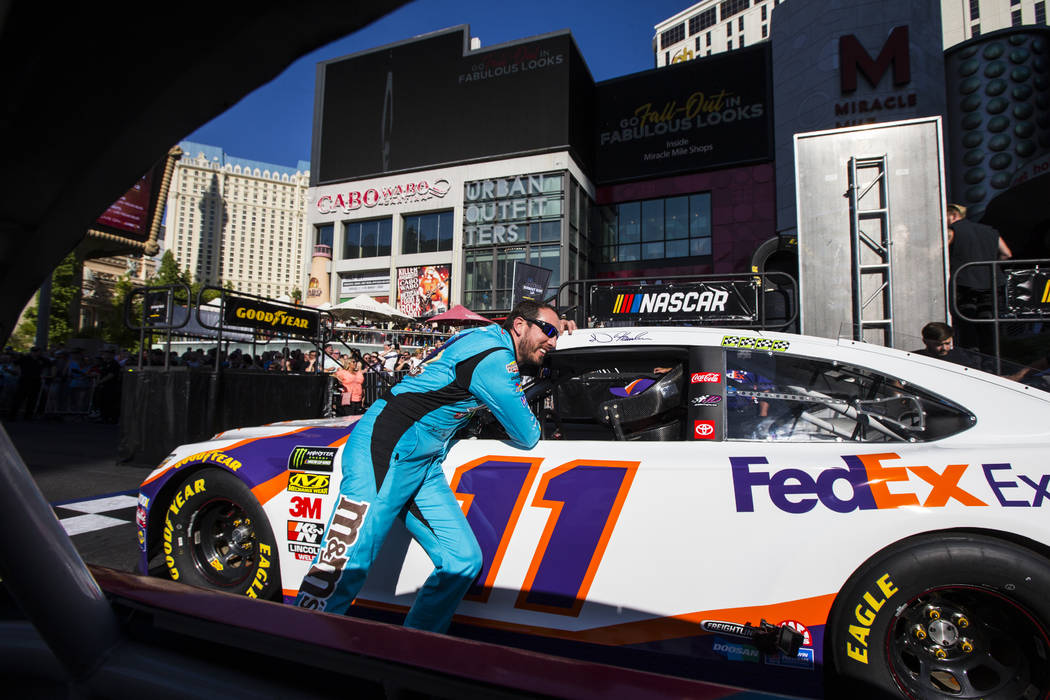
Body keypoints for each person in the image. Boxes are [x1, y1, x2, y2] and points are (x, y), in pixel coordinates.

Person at [296, 301, 568, 632]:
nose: (553, 342)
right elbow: (527, 434)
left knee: (462, 561)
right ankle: (300, 639)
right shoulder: (496, 356)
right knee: (344, 563)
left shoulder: (484, 338)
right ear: (520, 325)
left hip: (423, 461)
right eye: (549, 331)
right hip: (386, 447)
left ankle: (411, 652)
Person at [946, 203, 1011, 353]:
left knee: (967, 325)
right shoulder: (990, 231)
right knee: (988, 323)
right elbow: (1006, 254)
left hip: (964, 283)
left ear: (953, 215)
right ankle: (992, 363)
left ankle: (972, 360)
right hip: (992, 283)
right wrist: (991, 269)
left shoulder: (953, 232)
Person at [913, 321, 986, 371]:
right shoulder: (914, 359)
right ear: (925, 341)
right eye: (938, 345)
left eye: (947, 343)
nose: (944, 348)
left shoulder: (962, 358)